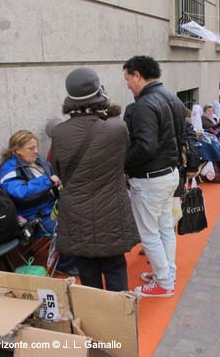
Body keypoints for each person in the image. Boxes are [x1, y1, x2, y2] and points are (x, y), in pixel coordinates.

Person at [51, 67, 140, 291]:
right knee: (115, 269)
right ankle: (121, 321)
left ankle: (93, 321)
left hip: (77, 213)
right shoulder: (118, 128)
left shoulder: (59, 133)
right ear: (99, 94)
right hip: (111, 211)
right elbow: (124, 161)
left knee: (87, 273)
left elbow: (59, 173)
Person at [122, 55, 186, 298]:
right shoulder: (172, 97)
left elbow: (145, 146)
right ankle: (166, 273)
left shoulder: (144, 105)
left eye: (128, 78)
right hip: (169, 174)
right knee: (165, 227)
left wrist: (123, 165)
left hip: (151, 178)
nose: (127, 84)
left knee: (150, 232)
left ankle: (163, 281)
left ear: (137, 75)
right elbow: (180, 136)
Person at [0, 130, 60, 236]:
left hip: (52, 208)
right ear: (17, 150)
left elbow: (55, 177)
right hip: (35, 217)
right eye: (31, 148)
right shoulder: (10, 168)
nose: (36, 151)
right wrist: (47, 181)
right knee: (71, 231)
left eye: (36, 147)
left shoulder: (38, 160)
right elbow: (20, 192)